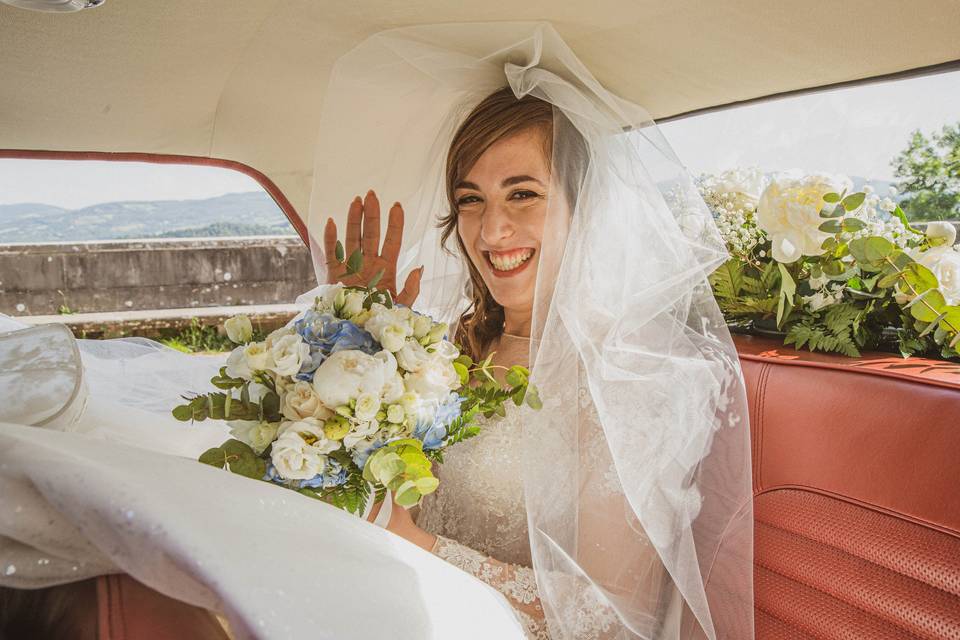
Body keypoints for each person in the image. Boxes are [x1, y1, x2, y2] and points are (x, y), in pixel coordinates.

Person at [313, 23, 754, 639]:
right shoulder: (444, 345)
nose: (491, 231)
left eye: (523, 194)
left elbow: (610, 620)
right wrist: (363, 345)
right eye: (470, 200)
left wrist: (417, 546)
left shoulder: (636, 374)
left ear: (587, 206)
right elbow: (382, 489)